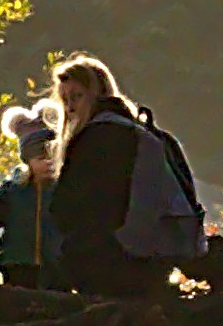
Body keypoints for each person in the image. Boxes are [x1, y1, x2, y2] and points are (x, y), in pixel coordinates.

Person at [43, 53, 196, 297]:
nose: (70, 107)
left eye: (77, 96)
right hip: (153, 258)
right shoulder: (143, 133)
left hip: (104, 260)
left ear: (97, 94)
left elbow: (69, 204)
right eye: (65, 100)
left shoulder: (96, 138)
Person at [0, 101, 58, 283]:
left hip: (55, 268)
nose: (49, 163)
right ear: (28, 161)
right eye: (41, 158)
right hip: (17, 265)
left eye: (54, 157)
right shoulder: (13, 190)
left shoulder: (65, 190)